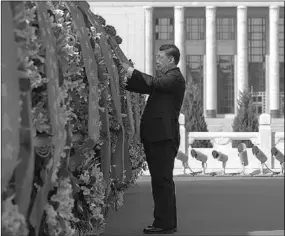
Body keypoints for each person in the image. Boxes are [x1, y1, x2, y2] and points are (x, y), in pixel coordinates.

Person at [121, 44, 186, 234]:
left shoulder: (174, 78)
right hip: (157, 137)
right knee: (160, 182)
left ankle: (164, 224)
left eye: (160, 57)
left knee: (162, 181)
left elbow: (153, 83)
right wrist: (122, 79)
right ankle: (164, 222)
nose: (157, 61)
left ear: (171, 60)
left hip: (163, 138)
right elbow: (145, 85)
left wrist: (132, 71)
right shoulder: (166, 80)